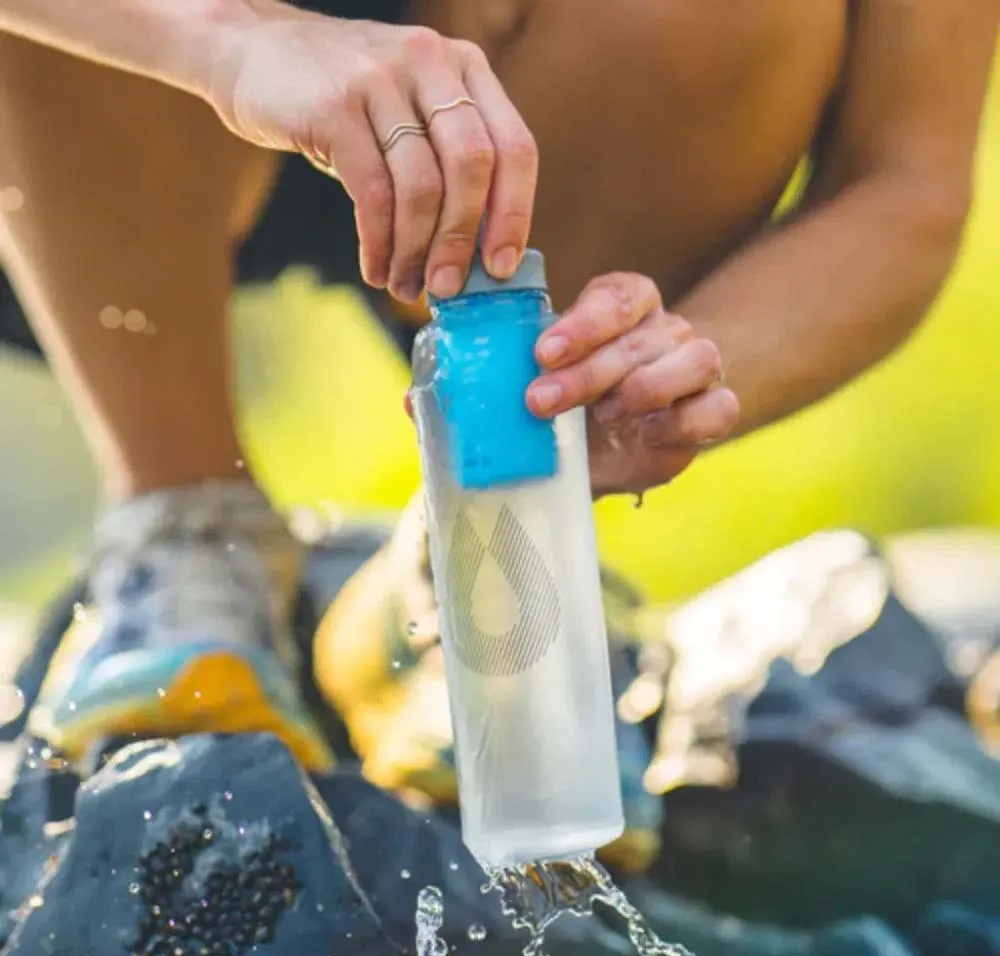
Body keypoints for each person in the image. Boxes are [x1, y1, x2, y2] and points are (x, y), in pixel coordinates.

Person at [0, 0, 996, 870]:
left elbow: (903, 182)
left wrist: (665, 361)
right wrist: (232, 39)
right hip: (131, 94)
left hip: (515, 156)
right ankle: (182, 517)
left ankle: (480, 552)